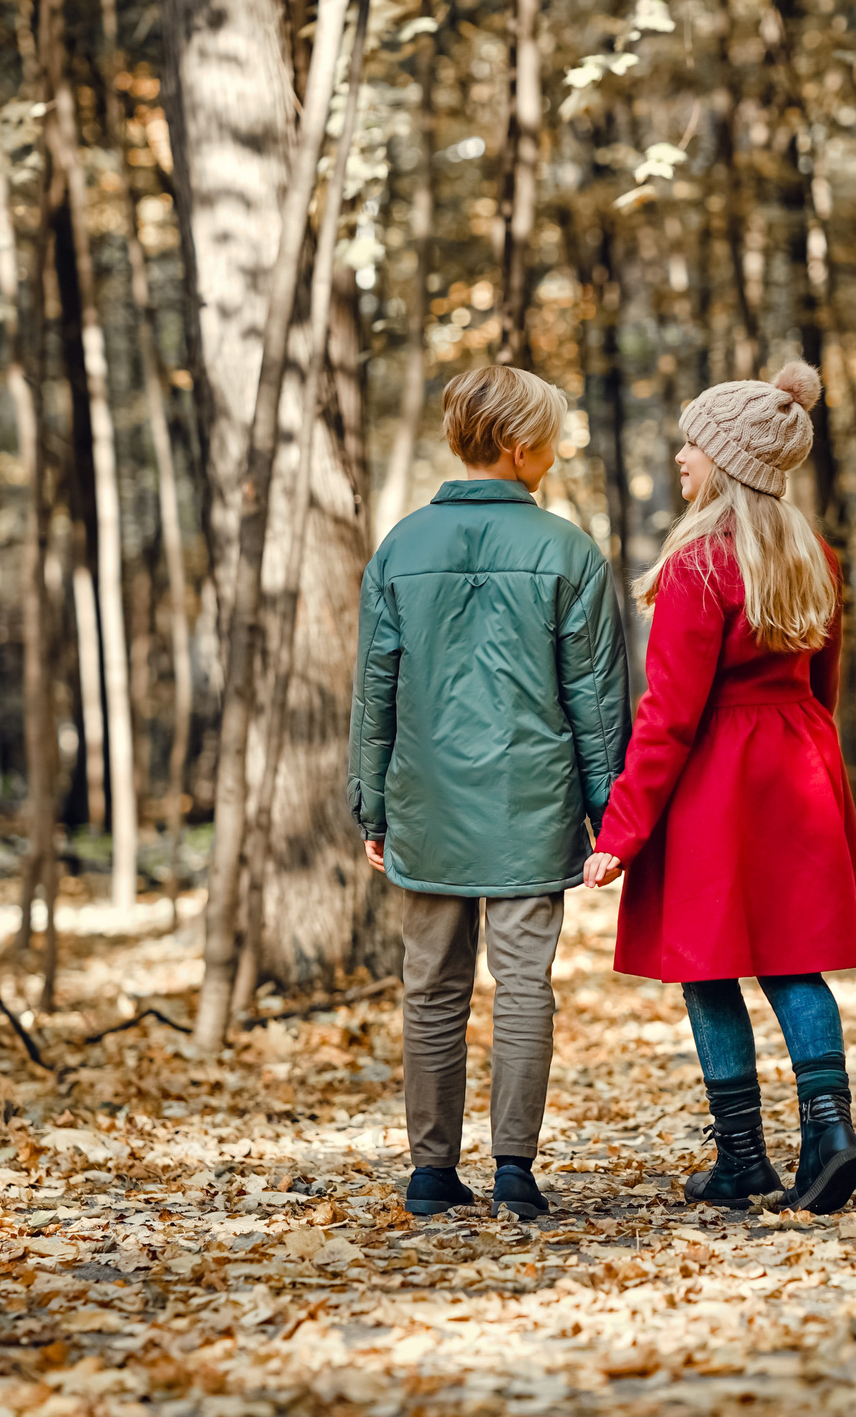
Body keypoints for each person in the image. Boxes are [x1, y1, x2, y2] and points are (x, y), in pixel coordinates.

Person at [583, 360, 856, 1215]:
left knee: (707, 965)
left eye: (694, 445)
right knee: (795, 960)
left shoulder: (699, 565)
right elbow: (822, 688)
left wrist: (620, 833)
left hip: (717, 778)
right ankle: (830, 1133)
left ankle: (744, 1156)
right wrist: (810, 760)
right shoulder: (813, 554)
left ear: (727, 462)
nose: (682, 458)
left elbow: (668, 716)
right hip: (798, 766)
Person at [348, 364, 634, 1220]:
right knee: (523, 987)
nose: (554, 452)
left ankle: (431, 1174)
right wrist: (608, 811)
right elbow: (595, 699)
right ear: (518, 447)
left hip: (427, 803)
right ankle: (515, 1168)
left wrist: (373, 804)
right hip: (531, 805)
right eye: (549, 438)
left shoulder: (400, 546)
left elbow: (376, 691)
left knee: (430, 988)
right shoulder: (568, 551)